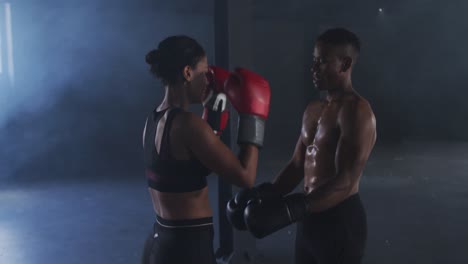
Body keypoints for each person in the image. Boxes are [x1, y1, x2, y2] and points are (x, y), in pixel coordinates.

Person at [227, 28, 377, 264]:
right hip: (308, 220)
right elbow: (298, 164)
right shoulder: (313, 109)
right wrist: (266, 194)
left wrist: (291, 208)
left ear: (345, 63)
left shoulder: (357, 111)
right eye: (313, 61)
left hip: (340, 220)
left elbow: (346, 180)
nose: (313, 68)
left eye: (322, 62)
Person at [140, 35, 271, 264]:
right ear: (188, 73)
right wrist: (253, 117)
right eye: (204, 72)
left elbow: (191, 169)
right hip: (188, 247)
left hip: (158, 242)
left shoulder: (152, 120)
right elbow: (245, 176)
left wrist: (213, 110)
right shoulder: (189, 124)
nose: (209, 80)